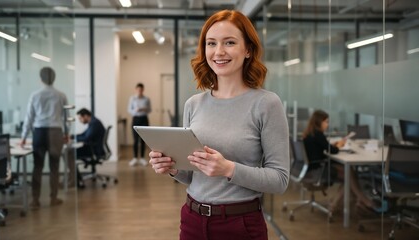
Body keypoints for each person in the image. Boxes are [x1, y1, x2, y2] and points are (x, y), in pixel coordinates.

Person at [149, 10, 289, 240]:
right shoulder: (193, 104)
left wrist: (228, 169)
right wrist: (172, 167)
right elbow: (192, 174)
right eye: (211, 43)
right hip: (192, 220)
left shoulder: (266, 103)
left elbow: (280, 180)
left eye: (230, 42)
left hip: (240, 224)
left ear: (248, 50)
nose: (219, 51)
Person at [302, 110, 375, 212]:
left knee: (349, 174)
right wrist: (338, 146)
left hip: (312, 168)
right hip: (318, 170)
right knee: (349, 174)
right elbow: (332, 151)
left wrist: (333, 145)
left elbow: (323, 147)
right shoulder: (318, 134)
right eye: (326, 122)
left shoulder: (310, 134)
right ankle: (362, 199)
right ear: (319, 122)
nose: (327, 124)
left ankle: (338, 203)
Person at [20, 67, 68, 209]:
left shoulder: (35, 95)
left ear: (41, 79)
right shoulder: (61, 95)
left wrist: (23, 136)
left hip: (39, 133)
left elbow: (29, 117)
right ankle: (53, 198)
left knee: (37, 167)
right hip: (55, 132)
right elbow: (66, 118)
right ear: (54, 78)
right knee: (54, 167)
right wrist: (66, 133)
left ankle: (35, 200)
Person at [63, 108, 106, 188]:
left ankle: (75, 180)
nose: (80, 120)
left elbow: (86, 138)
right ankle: (74, 178)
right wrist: (72, 137)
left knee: (69, 153)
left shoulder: (94, 123)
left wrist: (73, 139)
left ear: (85, 116)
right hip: (93, 148)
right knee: (69, 152)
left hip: (93, 150)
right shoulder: (93, 122)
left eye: (80, 118)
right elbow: (84, 134)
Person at [128, 83, 151, 167]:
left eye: (141, 90)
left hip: (144, 119)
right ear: (136, 89)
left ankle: (142, 158)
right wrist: (136, 111)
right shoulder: (132, 98)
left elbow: (149, 110)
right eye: (138, 89)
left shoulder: (146, 99)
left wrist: (144, 109)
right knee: (135, 140)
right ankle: (134, 158)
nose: (139, 91)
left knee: (142, 140)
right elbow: (129, 110)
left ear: (143, 90)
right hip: (135, 119)